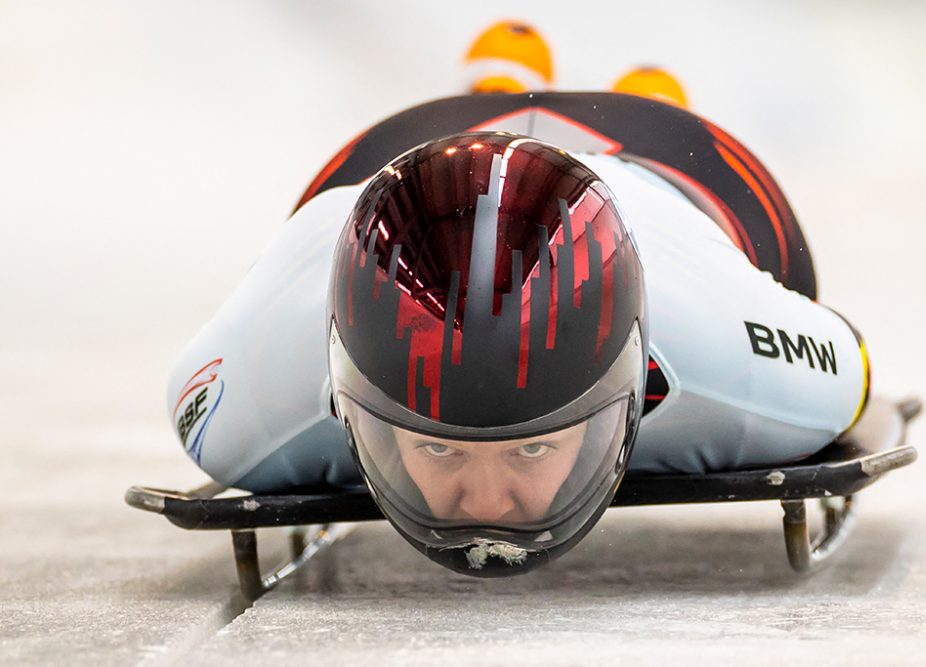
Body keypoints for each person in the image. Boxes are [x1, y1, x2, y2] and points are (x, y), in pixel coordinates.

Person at [167, 24, 869, 576]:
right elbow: (854, 362)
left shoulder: (726, 340)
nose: (487, 507)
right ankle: (608, 94)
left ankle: (533, 88)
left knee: (659, 124)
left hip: (654, 183)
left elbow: (847, 367)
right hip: (406, 168)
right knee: (655, 113)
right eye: (436, 449)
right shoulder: (263, 377)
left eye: (533, 446)